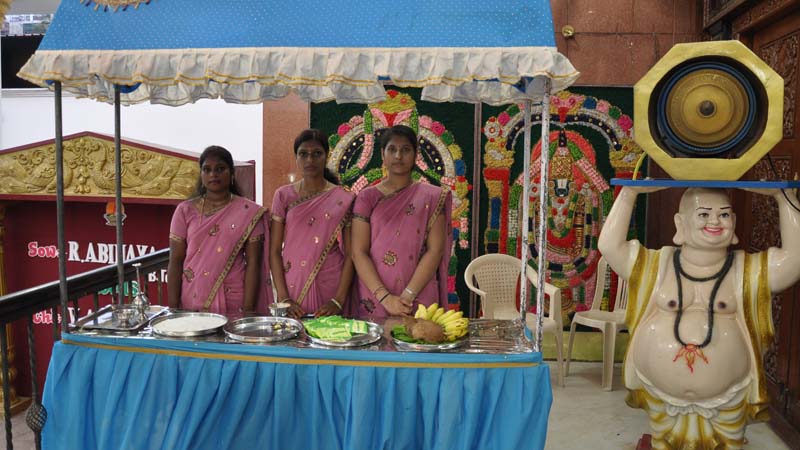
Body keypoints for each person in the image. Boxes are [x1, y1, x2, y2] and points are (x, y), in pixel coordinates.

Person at [597, 186, 800, 450]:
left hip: (728, 401)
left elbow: (795, 259)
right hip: (661, 397)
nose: (715, 221)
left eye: (724, 215)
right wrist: (629, 193)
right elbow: (609, 246)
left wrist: (783, 197)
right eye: (703, 214)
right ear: (680, 224)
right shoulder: (656, 265)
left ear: (734, 222)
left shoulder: (748, 270)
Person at [351, 125, 452, 320]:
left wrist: (408, 295)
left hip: (418, 293)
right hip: (375, 294)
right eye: (392, 149)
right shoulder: (367, 197)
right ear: (382, 154)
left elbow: (435, 250)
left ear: (415, 155)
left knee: (420, 337)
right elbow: (358, 252)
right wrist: (385, 298)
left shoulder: (431, 197)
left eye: (405, 150)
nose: (398, 156)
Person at [167, 145, 269, 314]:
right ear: (201, 174)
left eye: (220, 169)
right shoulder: (185, 210)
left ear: (232, 173)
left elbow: (253, 263)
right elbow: (176, 260)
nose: (213, 174)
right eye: (207, 170)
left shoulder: (248, 212)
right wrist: (173, 309)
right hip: (193, 296)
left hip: (232, 297)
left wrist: (248, 310)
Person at [269, 129, 356, 318]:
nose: (310, 160)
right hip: (292, 282)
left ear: (327, 156)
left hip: (331, 283)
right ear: (296, 158)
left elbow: (351, 253)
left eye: (317, 153)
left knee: (330, 332)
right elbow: (274, 251)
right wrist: (284, 298)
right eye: (303, 154)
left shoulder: (344, 197)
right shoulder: (283, 196)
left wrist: (338, 299)